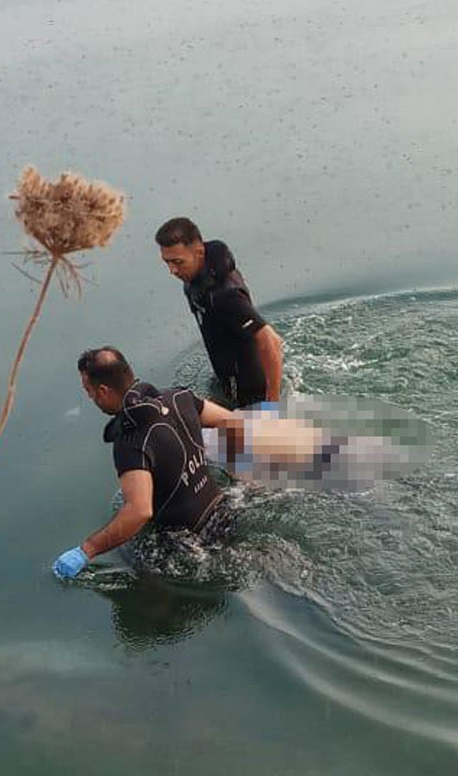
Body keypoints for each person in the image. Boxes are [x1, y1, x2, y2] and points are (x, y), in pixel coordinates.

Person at [52, 346, 240, 579]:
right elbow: (232, 423)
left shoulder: (130, 442)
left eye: (89, 391)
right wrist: (237, 473)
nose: (90, 397)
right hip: (226, 512)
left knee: (143, 582)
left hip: (190, 542)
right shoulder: (178, 397)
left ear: (103, 390)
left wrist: (85, 551)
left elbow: (139, 511)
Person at [155, 217, 284, 409]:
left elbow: (271, 341)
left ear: (199, 252)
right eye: (167, 262)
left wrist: (272, 406)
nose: (172, 270)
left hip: (251, 396)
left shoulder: (225, 296)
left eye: (178, 262)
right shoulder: (198, 280)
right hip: (226, 382)